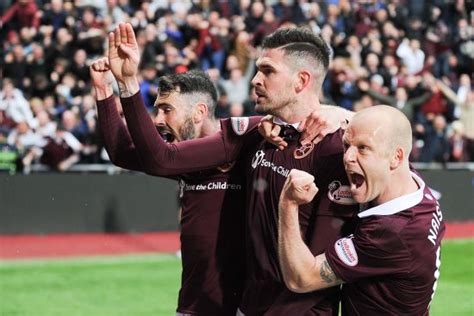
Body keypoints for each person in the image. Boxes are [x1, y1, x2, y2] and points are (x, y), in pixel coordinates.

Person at [103, 23, 357, 315]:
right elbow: (159, 158)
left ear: (301, 81)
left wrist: (350, 116)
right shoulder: (252, 133)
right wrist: (125, 84)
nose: (255, 80)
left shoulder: (343, 145)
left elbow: (398, 181)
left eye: (268, 71)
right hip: (246, 308)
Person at [278, 105, 445, 315]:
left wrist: (288, 204)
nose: (348, 156)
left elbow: (301, 278)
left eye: (363, 148)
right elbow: (388, 130)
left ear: (396, 157)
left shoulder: (392, 230)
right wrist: (336, 113)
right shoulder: (414, 186)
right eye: (347, 145)